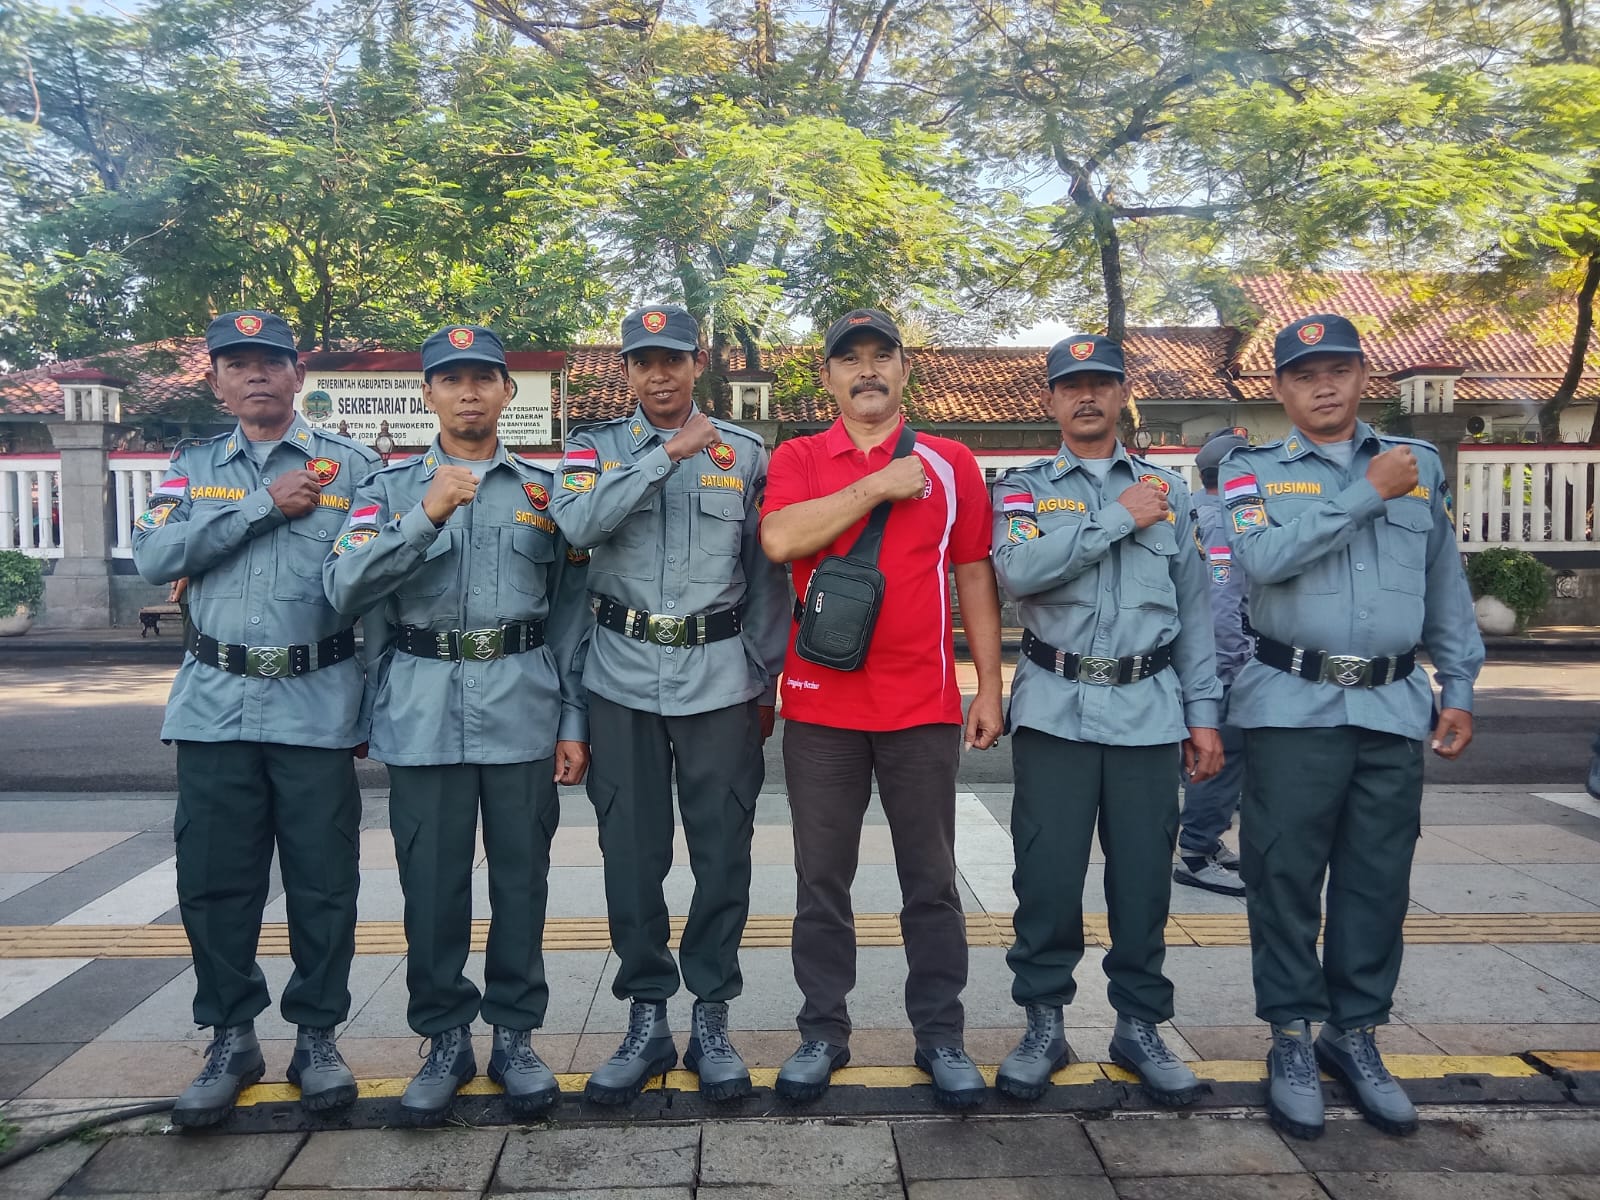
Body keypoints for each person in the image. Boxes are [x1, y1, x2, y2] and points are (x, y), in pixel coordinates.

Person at [1219, 313, 1483, 1140]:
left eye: (1337, 369)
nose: (1322, 385)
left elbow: (1445, 581)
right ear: (1280, 390)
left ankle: (1355, 1034)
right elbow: (1259, 562)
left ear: (1363, 374)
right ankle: (1292, 1036)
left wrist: (1461, 684)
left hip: (1394, 707)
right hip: (1291, 705)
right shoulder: (1247, 470)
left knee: (1377, 883)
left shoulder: (1421, 467)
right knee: (1285, 880)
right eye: (1303, 375)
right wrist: (1369, 493)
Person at [324, 325, 591, 1125]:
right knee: (432, 888)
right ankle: (443, 1036)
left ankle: (515, 1036)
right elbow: (343, 587)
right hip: (422, 710)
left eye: (484, 378)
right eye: (451, 380)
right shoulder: (389, 489)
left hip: (522, 707)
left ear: (510, 392)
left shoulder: (547, 493)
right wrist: (426, 517)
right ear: (429, 394)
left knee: (522, 883)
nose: (468, 392)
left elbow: (572, 619)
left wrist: (573, 718)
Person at [131, 310, 379, 1126]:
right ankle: (230, 1036)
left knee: (323, 884)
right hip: (213, 710)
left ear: (297, 373)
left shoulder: (353, 468)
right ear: (215, 381)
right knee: (213, 884)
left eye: (270, 361)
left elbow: (377, 595)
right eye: (235, 364)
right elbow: (157, 557)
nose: (255, 375)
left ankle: (317, 1038)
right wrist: (263, 508)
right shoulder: (190, 468)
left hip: (316, 707)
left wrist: (372, 705)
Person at [759, 309, 1005, 1109]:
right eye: (849, 360)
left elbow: (973, 576)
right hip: (821, 708)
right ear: (827, 378)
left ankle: (941, 1036)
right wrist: (875, 485)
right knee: (820, 880)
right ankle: (821, 1032)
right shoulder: (797, 456)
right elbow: (781, 540)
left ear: (904, 371)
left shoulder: (954, 460)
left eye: (881, 357)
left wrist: (990, 686)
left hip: (922, 706)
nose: (866, 371)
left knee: (931, 882)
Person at [546, 304, 789, 1105]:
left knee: (724, 853)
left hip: (719, 680)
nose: (659, 375)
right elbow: (575, 524)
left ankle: (712, 1016)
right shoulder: (591, 451)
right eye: (643, 361)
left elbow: (765, 578)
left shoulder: (746, 454)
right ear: (625, 370)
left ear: (697, 365)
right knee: (633, 857)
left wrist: (762, 676)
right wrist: (662, 458)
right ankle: (647, 1018)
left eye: (673, 360)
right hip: (620, 678)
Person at [988, 334, 1223, 1106]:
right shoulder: (1023, 489)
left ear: (1124, 393)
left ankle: (1139, 1026)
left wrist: (1204, 714)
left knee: (1145, 883)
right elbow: (1018, 572)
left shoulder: (1172, 490)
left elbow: (1195, 613)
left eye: (1101, 383)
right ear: (1051, 400)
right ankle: (1045, 1023)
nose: (1086, 397)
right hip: (1056, 712)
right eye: (1070, 386)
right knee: (1047, 878)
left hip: (1149, 713)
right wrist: (1118, 518)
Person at [1173, 427, 1253, 897]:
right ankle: (1198, 852)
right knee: (1220, 756)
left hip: (1191, 659)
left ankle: (1207, 839)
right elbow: (1222, 602)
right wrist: (1232, 665)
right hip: (1220, 665)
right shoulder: (1224, 520)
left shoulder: (1192, 511)